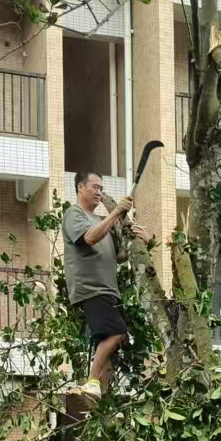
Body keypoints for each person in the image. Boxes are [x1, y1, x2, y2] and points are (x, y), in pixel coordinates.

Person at [63, 169, 147, 398]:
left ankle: (98, 398)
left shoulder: (101, 221)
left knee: (112, 344)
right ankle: (91, 381)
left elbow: (118, 257)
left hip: (110, 289)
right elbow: (89, 238)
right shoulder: (74, 213)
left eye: (101, 188)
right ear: (80, 187)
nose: (99, 192)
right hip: (91, 288)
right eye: (95, 187)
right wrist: (117, 212)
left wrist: (142, 242)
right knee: (117, 332)